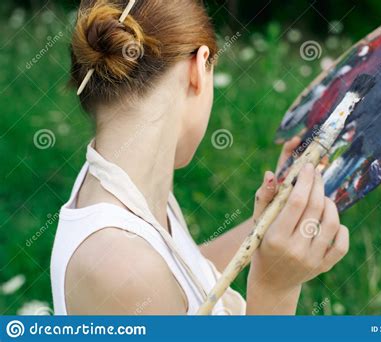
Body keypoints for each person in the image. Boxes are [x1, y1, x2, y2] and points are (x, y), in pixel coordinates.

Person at [50, 0, 349, 315]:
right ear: (198, 68)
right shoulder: (120, 267)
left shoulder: (120, 183)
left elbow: (182, 274)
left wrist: (269, 221)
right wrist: (275, 288)